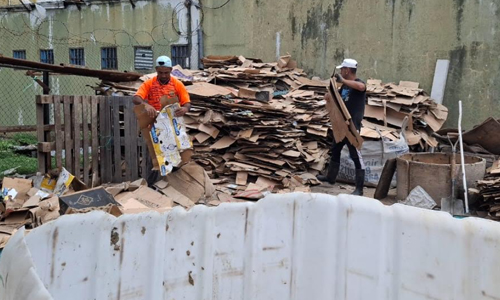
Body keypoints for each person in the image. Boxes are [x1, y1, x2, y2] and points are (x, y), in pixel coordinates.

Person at [133, 55, 191, 184]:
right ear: (156, 70)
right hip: (154, 125)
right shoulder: (149, 83)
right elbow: (136, 98)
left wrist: (185, 109)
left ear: (170, 70)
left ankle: (173, 183)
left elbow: (187, 103)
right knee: (155, 156)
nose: (163, 75)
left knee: (174, 155)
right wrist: (145, 104)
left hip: (172, 126)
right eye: (160, 72)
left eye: (166, 72)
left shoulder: (177, 84)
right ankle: (152, 184)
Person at [317, 58, 366, 196]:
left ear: (347, 70)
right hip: (341, 125)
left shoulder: (358, 83)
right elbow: (339, 99)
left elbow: (362, 87)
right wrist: (329, 97)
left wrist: (342, 81)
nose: (340, 71)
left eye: (342, 69)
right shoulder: (344, 87)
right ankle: (330, 178)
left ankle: (359, 189)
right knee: (335, 150)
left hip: (351, 126)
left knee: (356, 155)